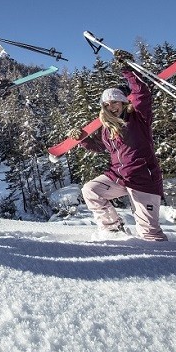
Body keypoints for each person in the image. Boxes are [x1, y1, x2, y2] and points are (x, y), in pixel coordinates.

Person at [65, 49, 168, 241]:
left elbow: (141, 93)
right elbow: (101, 147)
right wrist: (82, 139)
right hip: (118, 176)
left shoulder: (138, 118)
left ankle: (170, 262)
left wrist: (127, 68)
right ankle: (113, 230)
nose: (111, 106)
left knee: (150, 234)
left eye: (115, 102)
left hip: (143, 177)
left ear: (122, 102)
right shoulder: (107, 129)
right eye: (107, 104)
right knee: (91, 190)